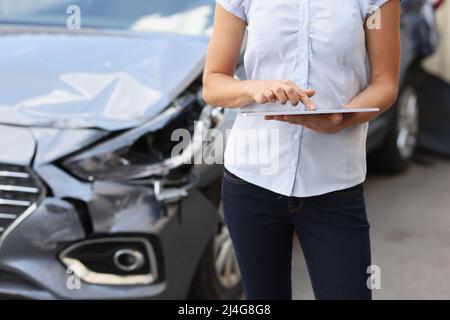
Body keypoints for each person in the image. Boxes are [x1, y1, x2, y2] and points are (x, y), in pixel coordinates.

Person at [202, 0, 401, 300]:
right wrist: (252, 88)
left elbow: (385, 83)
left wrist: (343, 118)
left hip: (334, 185)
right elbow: (213, 83)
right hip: (251, 182)